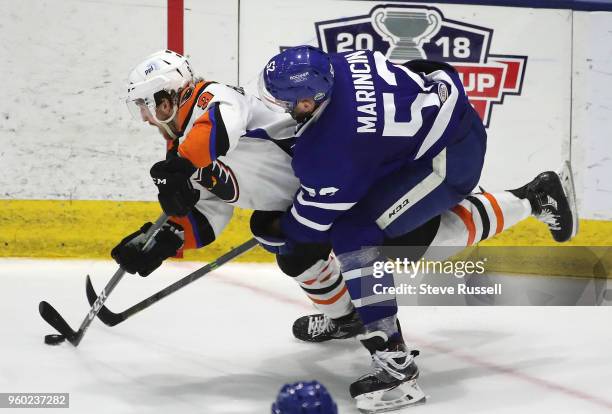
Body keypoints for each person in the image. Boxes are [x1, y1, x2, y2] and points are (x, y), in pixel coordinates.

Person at [257, 45, 578, 412]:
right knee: (380, 229)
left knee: (358, 233)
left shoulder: (329, 149)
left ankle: (395, 363)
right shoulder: (340, 62)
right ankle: (537, 198)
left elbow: (310, 227)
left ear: (310, 101)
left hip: (449, 158)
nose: (282, 108)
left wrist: (277, 229)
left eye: (287, 102)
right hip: (440, 120)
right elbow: (417, 72)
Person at [109, 50, 356, 337]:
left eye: (144, 105)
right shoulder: (184, 149)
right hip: (304, 201)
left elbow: (221, 125)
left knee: (402, 248)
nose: (143, 117)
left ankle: (387, 333)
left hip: (338, 181)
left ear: (164, 103)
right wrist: (162, 240)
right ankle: (348, 320)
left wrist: (181, 166)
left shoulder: (214, 97)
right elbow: (208, 213)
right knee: (289, 249)